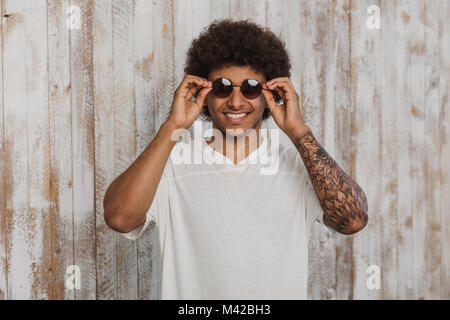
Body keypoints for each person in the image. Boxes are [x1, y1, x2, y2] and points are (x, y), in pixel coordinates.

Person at [103, 19, 368, 299]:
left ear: (271, 94)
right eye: (222, 87)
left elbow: (353, 220)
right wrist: (172, 126)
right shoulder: (171, 164)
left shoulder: (300, 167)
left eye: (252, 87)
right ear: (203, 93)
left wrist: (298, 131)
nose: (236, 102)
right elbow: (119, 217)